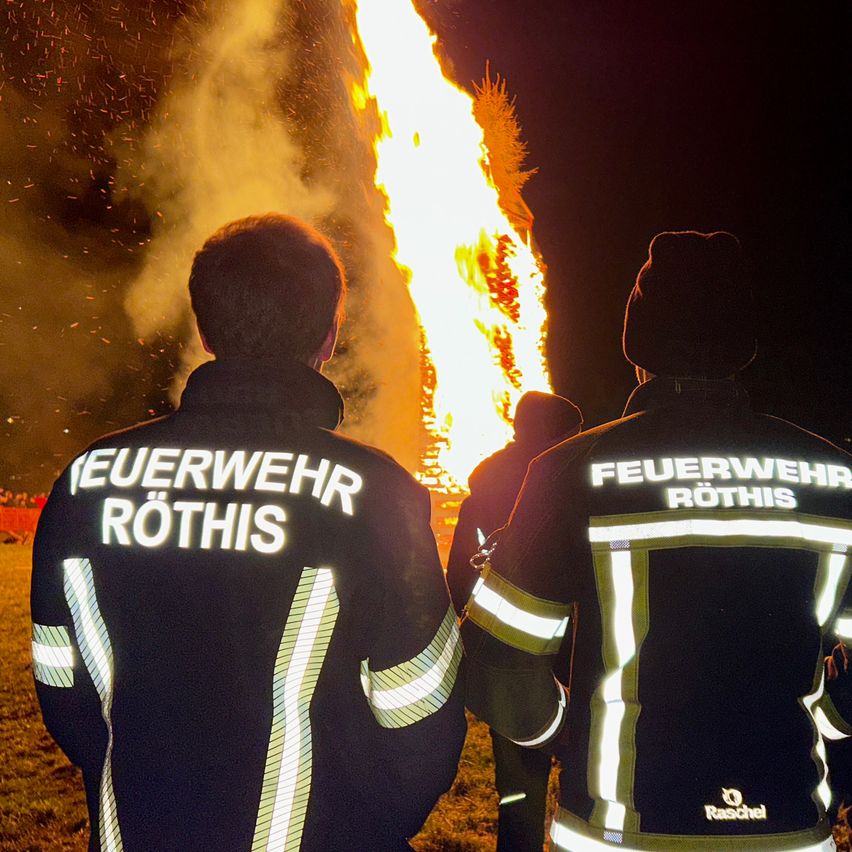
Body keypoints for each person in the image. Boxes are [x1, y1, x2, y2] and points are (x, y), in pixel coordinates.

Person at [31, 213, 466, 852]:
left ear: (204, 330)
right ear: (329, 332)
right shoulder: (373, 492)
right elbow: (421, 709)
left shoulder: (87, 479)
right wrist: (357, 825)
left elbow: (63, 689)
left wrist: (146, 784)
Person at [461, 230, 852, 851]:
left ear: (636, 343)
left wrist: (563, 734)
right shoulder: (837, 478)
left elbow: (498, 659)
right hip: (791, 831)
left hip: (619, 835)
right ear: (743, 345)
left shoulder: (574, 469)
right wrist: (827, 726)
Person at [447, 390, 582, 851]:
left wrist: (482, 635)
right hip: (569, 656)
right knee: (585, 767)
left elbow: (457, 574)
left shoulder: (483, 493)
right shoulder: (565, 484)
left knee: (519, 780)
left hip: (509, 661)